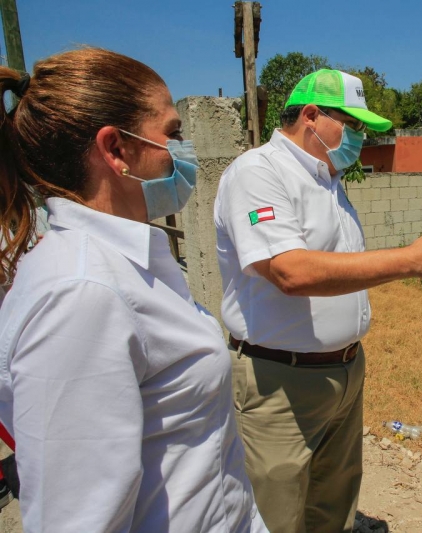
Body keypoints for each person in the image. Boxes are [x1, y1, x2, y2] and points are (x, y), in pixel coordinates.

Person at [0, 48, 267, 532]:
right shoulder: (80, 294)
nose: (181, 152)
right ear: (116, 150)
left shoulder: (125, 265)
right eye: (172, 134)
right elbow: (80, 519)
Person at [214, 68, 422, 533]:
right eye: (352, 123)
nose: (359, 137)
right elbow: (291, 271)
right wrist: (409, 260)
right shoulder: (258, 172)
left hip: (343, 372)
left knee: (333, 505)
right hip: (278, 380)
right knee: (275, 514)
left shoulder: (328, 178)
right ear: (311, 115)